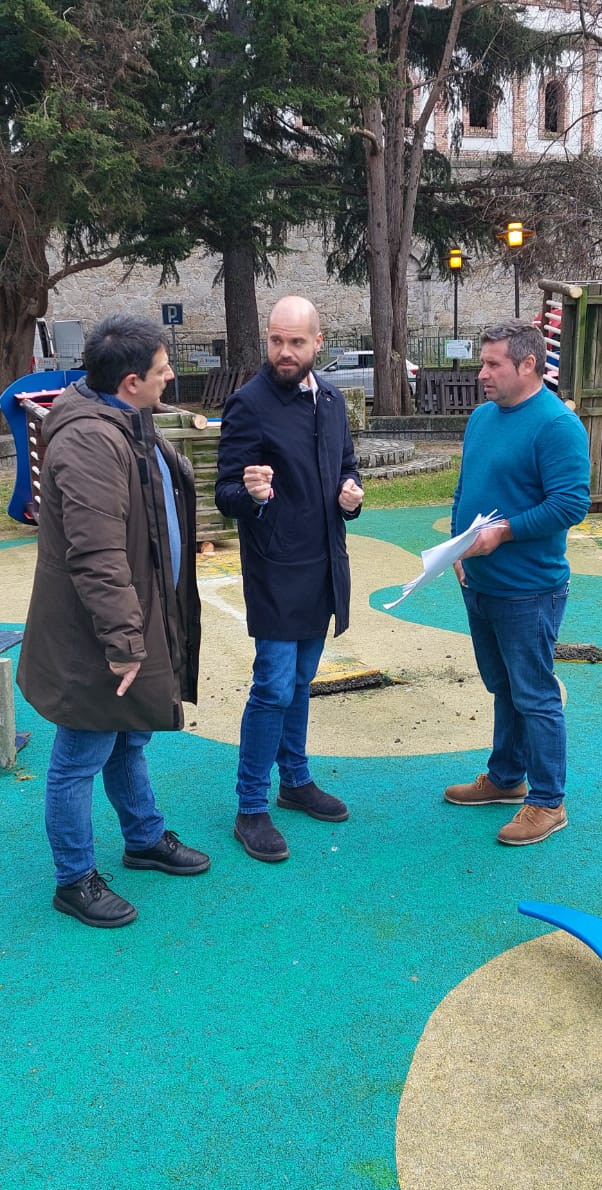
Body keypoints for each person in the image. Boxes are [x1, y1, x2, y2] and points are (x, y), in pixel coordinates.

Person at [17, 314, 209, 928]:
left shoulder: (125, 417)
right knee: (81, 753)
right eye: (162, 369)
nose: (170, 376)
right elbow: (97, 554)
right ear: (130, 381)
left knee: (131, 733)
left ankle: (143, 837)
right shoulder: (87, 440)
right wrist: (124, 643)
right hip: (99, 631)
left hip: (136, 613)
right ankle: (74, 879)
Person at [215, 296, 364, 863]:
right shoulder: (248, 404)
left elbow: (345, 467)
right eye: (276, 341)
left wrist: (351, 496)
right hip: (276, 569)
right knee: (274, 686)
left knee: (301, 682)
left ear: (317, 343)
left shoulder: (331, 399)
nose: (283, 351)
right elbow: (226, 491)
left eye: (296, 342)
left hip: (324, 565)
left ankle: (295, 781)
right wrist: (249, 492)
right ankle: (251, 806)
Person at [444, 317, 590, 846]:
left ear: (529, 364)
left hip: (530, 587)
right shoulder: (483, 418)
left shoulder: (556, 425)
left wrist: (503, 534)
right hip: (478, 580)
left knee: (534, 693)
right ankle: (506, 779)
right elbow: (467, 486)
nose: (481, 373)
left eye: (492, 364)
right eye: (482, 362)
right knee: (502, 685)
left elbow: (571, 503)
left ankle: (548, 801)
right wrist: (460, 549)